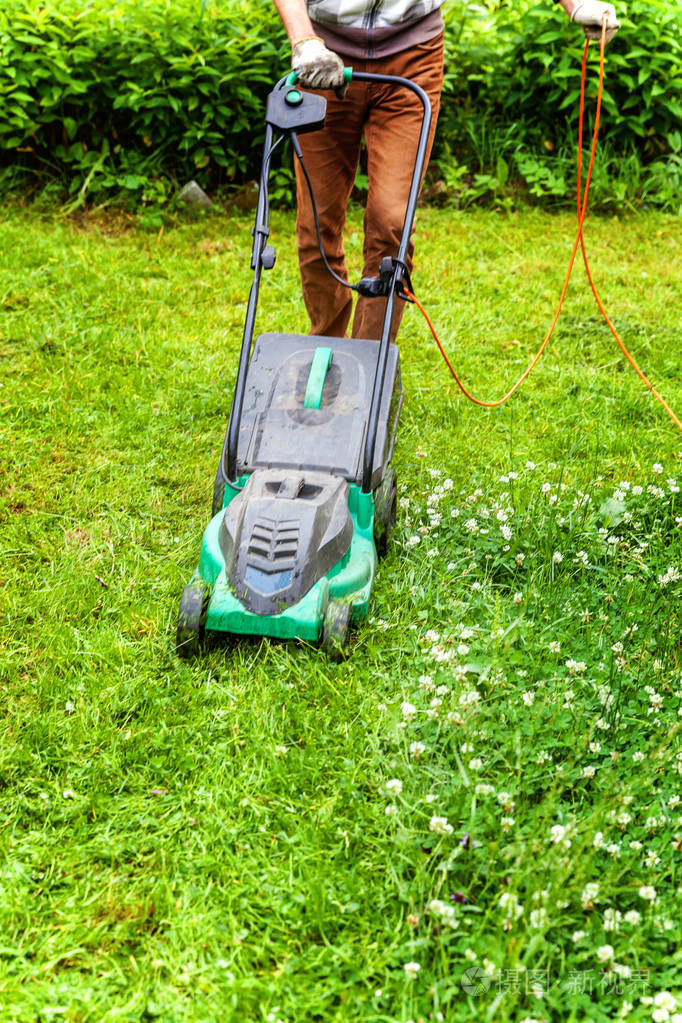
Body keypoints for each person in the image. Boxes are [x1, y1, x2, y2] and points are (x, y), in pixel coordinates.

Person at [272, 0, 620, 342]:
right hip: (322, 54)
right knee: (316, 222)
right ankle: (325, 343)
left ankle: (371, 365)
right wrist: (304, 41)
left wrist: (576, 4)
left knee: (392, 222)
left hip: (412, 56)